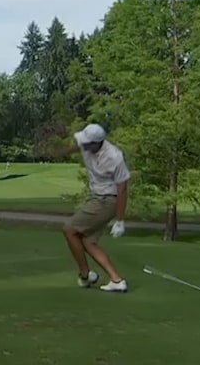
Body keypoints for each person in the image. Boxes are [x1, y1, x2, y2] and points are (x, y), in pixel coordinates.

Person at [60, 123, 130, 292]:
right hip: (98, 198)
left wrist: (120, 220)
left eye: (86, 143)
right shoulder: (88, 146)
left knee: (69, 229)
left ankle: (85, 274)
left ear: (97, 143)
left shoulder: (114, 156)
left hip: (107, 200)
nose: (83, 145)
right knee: (88, 241)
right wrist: (60, 152)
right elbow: (76, 148)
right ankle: (117, 280)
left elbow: (123, 188)